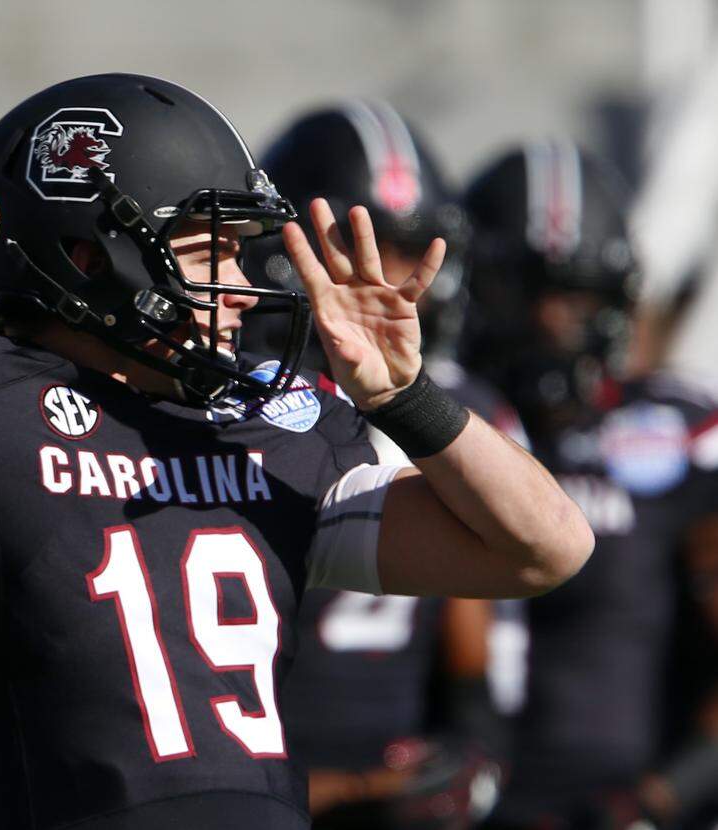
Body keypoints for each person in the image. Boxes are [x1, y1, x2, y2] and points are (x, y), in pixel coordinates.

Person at [0, 74, 591, 830]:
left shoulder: (269, 430)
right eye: (207, 249)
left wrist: (406, 400)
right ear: (91, 258)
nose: (237, 283)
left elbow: (542, 548)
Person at [242, 102, 523, 829]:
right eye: (364, 249)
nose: (389, 280)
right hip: (250, 751)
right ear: (288, 249)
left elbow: (484, 582)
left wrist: (468, 739)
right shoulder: (238, 395)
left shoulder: (458, 407)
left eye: (407, 251)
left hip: (391, 771)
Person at [461, 140, 718, 829]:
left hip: (620, 805)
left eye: (575, 295)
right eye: (528, 291)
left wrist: (660, 800)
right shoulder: (432, 424)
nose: (550, 319)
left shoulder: (679, 436)